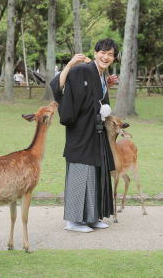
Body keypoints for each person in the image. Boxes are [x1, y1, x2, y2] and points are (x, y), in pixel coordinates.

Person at [50, 38, 119, 233]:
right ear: (96, 53)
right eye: (102, 53)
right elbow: (59, 87)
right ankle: (73, 220)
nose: (105, 57)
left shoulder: (100, 75)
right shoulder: (82, 69)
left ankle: (92, 217)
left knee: (96, 172)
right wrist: (70, 63)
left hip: (96, 131)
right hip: (81, 130)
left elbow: (93, 97)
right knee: (81, 170)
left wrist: (108, 86)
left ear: (114, 58)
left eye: (110, 54)